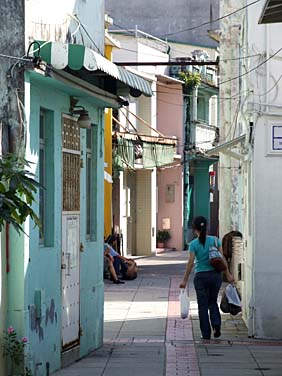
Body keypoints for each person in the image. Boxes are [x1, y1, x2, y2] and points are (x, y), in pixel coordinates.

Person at [179, 216, 234, 340]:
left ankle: (206, 333)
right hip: (215, 276)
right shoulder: (215, 240)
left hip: (201, 277)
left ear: (194, 229)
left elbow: (191, 263)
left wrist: (184, 280)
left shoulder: (193, 244)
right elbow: (222, 259)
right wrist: (228, 274)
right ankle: (216, 325)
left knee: (202, 305)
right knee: (212, 301)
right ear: (206, 227)